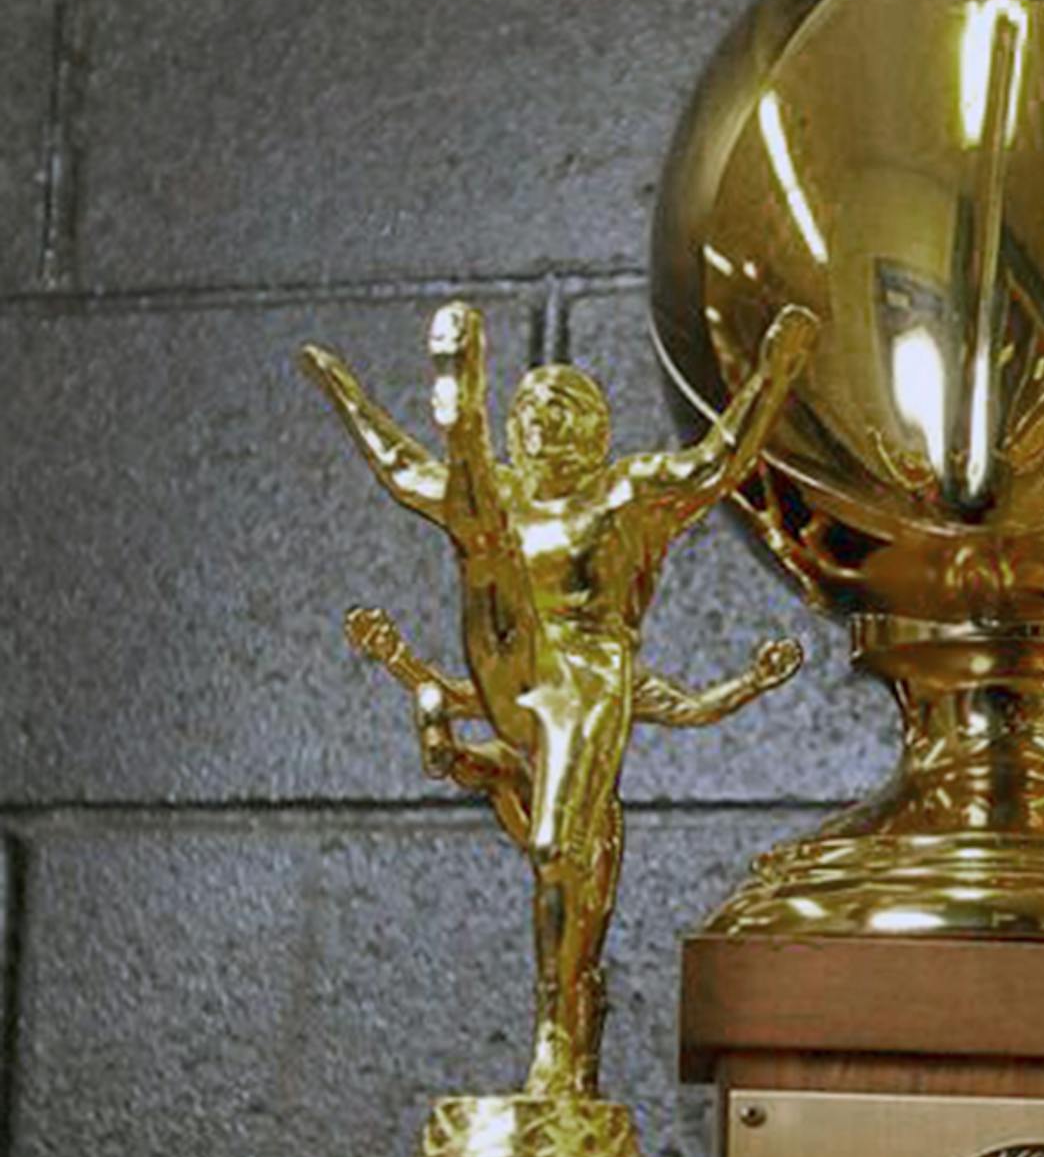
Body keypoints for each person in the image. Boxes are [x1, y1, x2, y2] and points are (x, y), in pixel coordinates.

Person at [302, 301, 814, 1106]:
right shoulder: (504, 496)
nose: (546, 426)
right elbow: (399, 469)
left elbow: (716, 462)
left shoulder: (626, 495)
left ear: (597, 433)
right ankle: (458, 422)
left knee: (553, 849)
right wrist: (343, 392)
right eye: (530, 412)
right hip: (516, 662)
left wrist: (775, 373)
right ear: (512, 432)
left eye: (564, 412)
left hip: (588, 669)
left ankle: (556, 1033)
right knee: (480, 537)